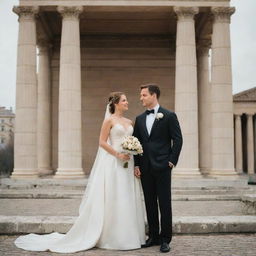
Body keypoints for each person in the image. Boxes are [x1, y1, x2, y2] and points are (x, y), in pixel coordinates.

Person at [14, 92, 145, 253]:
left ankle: (130, 235)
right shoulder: (109, 121)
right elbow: (102, 142)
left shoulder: (129, 121)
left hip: (128, 163)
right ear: (116, 103)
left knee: (127, 196)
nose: (127, 102)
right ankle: (113, 237)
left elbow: (133, 140)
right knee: (114, 196)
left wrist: (132, 152)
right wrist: (117, 154)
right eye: (124, 100)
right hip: (114, 163)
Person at [133, 84, 183, 253]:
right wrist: (137, 164)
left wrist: (171, 161)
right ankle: (153, 236)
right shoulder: (139, 119)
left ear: (153, 95)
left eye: (144, 95)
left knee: (164, 203)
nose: (141, 98)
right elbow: (136, 144)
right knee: (149, 203)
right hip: (145, 168)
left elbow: (178, 139)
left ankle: (165, 239)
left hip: (163, 166)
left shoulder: (169, 116)